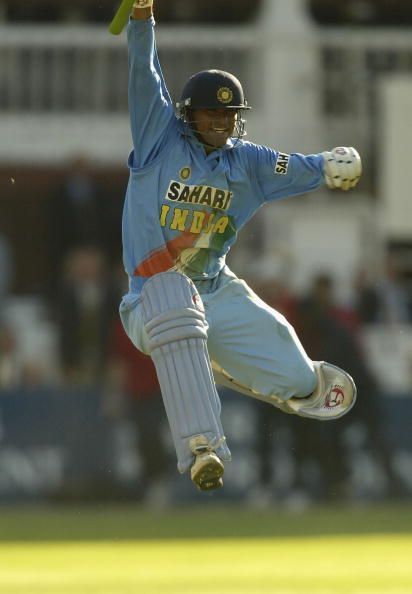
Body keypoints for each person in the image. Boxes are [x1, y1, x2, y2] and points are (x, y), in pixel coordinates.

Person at [118, 0, 362, 492]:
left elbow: (295, 167)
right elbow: (145, 75)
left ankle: (227, 362)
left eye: (230, 115)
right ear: (189, 114)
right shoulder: (158, 139)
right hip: (149, 299)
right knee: (174, 295)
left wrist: (332, 164)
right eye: (212, 113)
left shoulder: (247, 162)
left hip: (218, 291)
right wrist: (142, 18)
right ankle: (203, 446)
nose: (223, 123)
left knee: (298, 380)